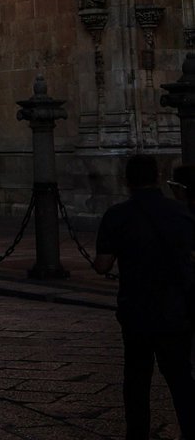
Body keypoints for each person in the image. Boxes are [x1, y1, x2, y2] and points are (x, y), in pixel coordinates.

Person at [94, 153, 195, 440]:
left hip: (137, 311)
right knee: (180, 378)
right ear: (158, 177)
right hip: (176, 310)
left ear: (127, 180)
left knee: (137, 380)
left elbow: (102, 265)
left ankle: (137, 434)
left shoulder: (117, 215)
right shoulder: (181, 213)